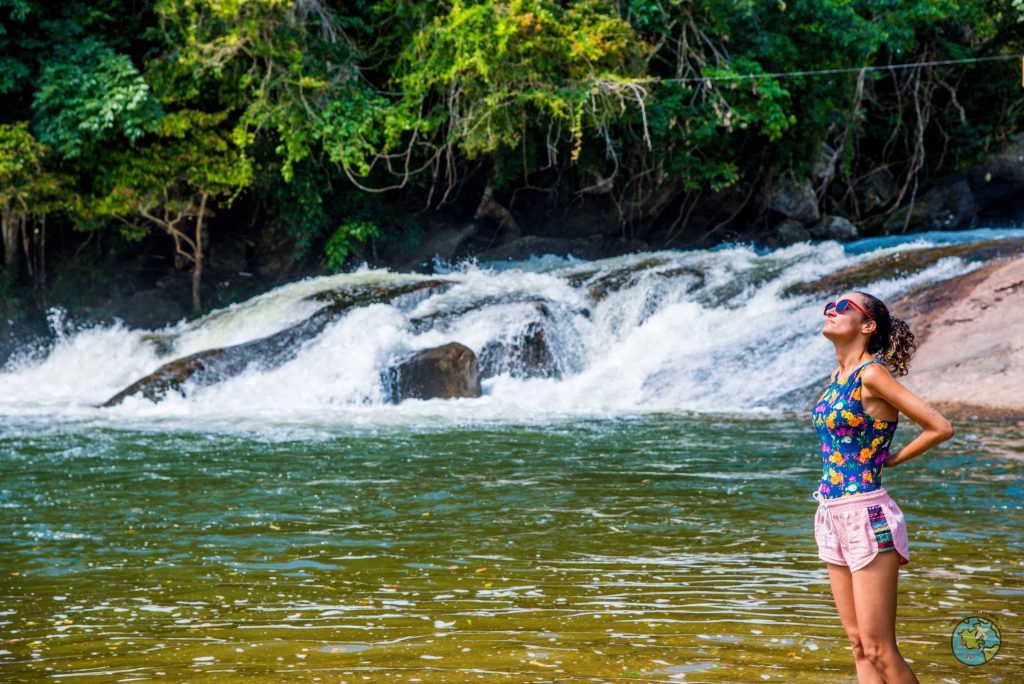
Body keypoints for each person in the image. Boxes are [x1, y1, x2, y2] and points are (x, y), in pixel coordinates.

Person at [812, 291, 954, 684]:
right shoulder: (837, 377)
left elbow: (940, 427)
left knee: (880, 649)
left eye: (843, 307)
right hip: (831, 513)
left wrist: (895, 458)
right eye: (829, 306)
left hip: (867, 515)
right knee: (858, 644)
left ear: (867, 325)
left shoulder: (872, 375)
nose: (831, 310)